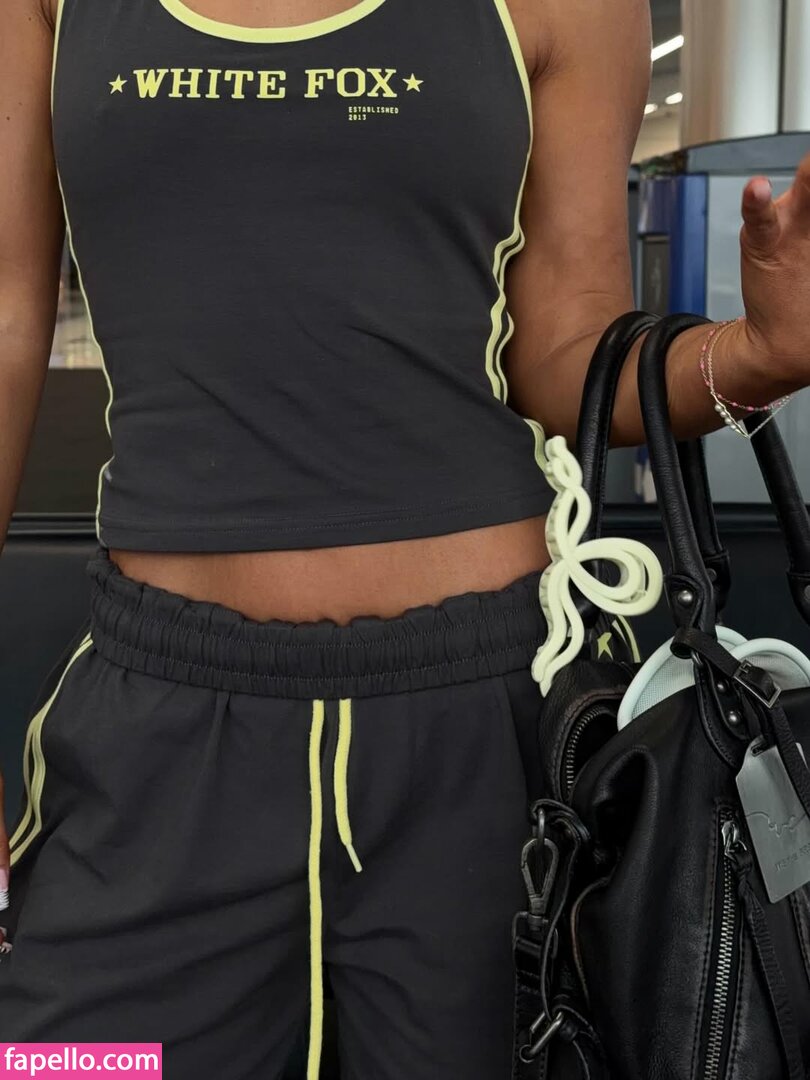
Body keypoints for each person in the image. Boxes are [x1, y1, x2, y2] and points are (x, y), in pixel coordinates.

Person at [0, 0, 809, 1076]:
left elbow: (565, 349)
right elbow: (8, 316)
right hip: (162, 730)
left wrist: (754, 358)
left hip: (491, 729)